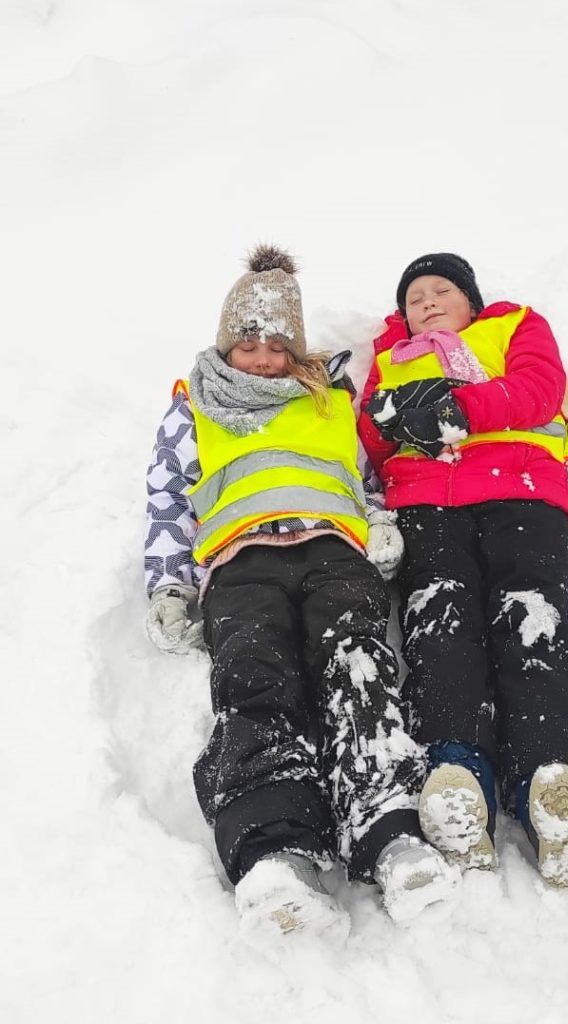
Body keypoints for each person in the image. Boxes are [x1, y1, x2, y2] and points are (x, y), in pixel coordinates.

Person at [144, 245, 460, 936]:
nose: (262, 358)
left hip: (332, 550)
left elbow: (362, 479)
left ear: (295, 349)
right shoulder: (195, 407)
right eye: (247, 343)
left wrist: (379, 524)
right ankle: (275, 851)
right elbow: (168, 500)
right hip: (241, 561)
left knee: (358, 664)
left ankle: (391, 833)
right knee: (253, 675)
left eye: (277, 345)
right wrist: (167, 585)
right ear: (225, 343)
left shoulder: (328, 402)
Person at [358, 252, 568, 888]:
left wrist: (458, 410)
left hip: (519, 489)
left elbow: (538, 389)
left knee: (531, 614)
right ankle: (456, 770)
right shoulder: (390, 359)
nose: (427, 301)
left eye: (441, 289)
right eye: (414, 298)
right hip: (425, 502)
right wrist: (390, 417)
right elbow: (371, 440)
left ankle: (556, 774)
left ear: (470, 300)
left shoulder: (515, 325)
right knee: (439, 622)